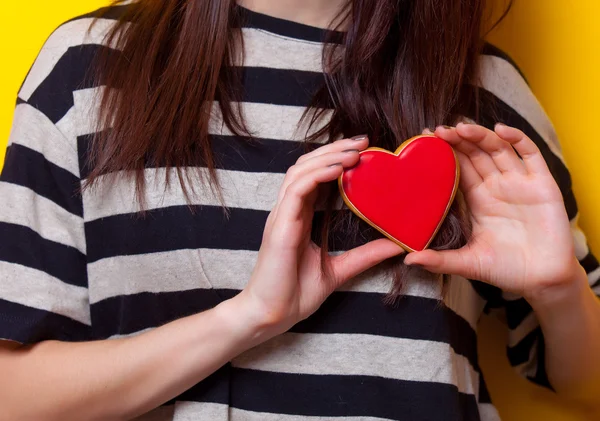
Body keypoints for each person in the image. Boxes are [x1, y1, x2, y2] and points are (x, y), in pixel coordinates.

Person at [0, 1, 598, 420]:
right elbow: (13, 395)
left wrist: (559, 288)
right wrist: (248, 318)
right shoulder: (89, 67)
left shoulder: (482, 91)